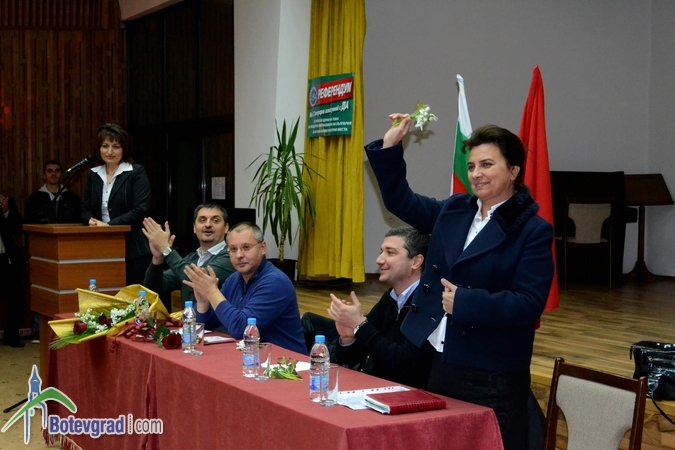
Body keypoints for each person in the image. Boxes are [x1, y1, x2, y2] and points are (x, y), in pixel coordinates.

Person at [365, 118, 554, 450]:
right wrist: (391, 148)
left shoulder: (532, 230)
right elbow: (400, 200)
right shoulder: (455, 210)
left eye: (487, 164)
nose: (476, 173)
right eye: (471, 166)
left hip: (492, 371)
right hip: (442, 361)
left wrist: (465, 302)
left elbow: (528, 302)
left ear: (513, 170)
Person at [324, 226, 434, 389]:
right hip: (377, 390)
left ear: (416, 262)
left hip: (410, 397)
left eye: (390, 253)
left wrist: (360, 325)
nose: (379, 260)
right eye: (381, 252)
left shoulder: (430, 305)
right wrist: (348, 337)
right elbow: (351, 357)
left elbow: (404, 367)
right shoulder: (390, 298)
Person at [183, 222, 306, 354]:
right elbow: (206, 325)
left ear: (263, 248)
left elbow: (242, 329)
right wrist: (203, 304)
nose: (239, 255)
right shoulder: (233, 279)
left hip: (286, 361)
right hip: (251, 357)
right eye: (233, 249)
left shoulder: (275, 282)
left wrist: (212, 292)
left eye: (246, 247)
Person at [81, 123, 151, 285]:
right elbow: (85, 208)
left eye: (116, 147)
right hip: (101, 244)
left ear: (124, 149)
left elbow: (140, 209)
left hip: (134, 246)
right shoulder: (94, 174)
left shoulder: (136, 172)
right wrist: (90, 220)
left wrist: (109, 225)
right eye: (105, 146)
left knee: (133, 293)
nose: (109, 152)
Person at [142, 203, 235, 312]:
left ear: (226, 228)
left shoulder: (231, 256)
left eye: (215, 221)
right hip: (190, 322)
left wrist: (165, 248)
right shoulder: (191, 259)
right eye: (202, 220)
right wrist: (158, 259)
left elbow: (197, 281)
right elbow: (154, 289)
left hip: (218, 323)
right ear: (194, 228)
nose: (208, 225)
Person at [0, 194, 26, 348]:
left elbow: (17, 229)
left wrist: (6, 213)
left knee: (17, 295)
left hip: (5, 259)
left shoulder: (6, 201)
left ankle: (11, 335)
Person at [25, 160, 82, 225]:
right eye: (50, 171)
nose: (54, 174)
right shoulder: (34, 200)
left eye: (57, 171)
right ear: (44, 175)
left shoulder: (73, 200)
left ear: (61, 174)